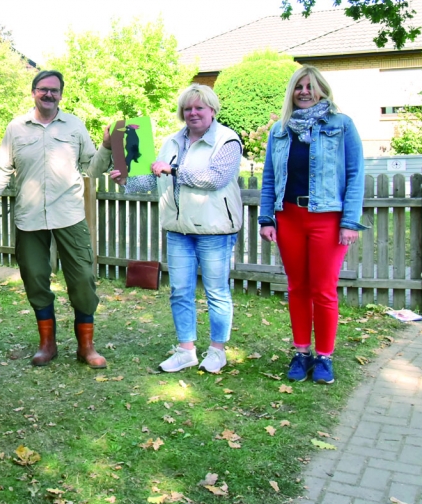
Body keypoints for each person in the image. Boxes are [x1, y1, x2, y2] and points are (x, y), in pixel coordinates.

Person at [107, 84, 242, 374]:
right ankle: (186, 350)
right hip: (178, 230)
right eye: (187, 108)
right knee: (180, 291)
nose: (192, 113)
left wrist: (176, 170)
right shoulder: (171, 142)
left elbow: (216, 178)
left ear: (212, 110)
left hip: (215, 230)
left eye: (199, 108)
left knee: (216, 292)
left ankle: (217, 351)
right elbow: (152, 181)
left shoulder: (227, 140)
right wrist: (124, 179)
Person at [0, 70, 111, 369]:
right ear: (33, 92)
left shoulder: (74, 126)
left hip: (69, 216)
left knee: (81, 279)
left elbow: (91, 169)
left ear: (61, 95)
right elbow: (0, 174)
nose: (49, 95)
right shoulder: (16, 129)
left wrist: (106, 146)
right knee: (35, 279)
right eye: (43, 89)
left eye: (54, 90)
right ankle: (47, 344)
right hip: (29, 219)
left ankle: (86, 346)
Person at [259, 66, 366, 385]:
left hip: (328, 219)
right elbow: (269, 177)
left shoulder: (341, 125)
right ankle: (301, 352)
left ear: (322, 90)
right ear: (291, 92)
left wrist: (349, 221)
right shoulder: (279, 130)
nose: (304, 91)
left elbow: (355, 174)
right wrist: (267, 217)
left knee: (323, 290)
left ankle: (324, 357)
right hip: (289, 217)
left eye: (311, 86)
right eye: (298, 87)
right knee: (297, 288)